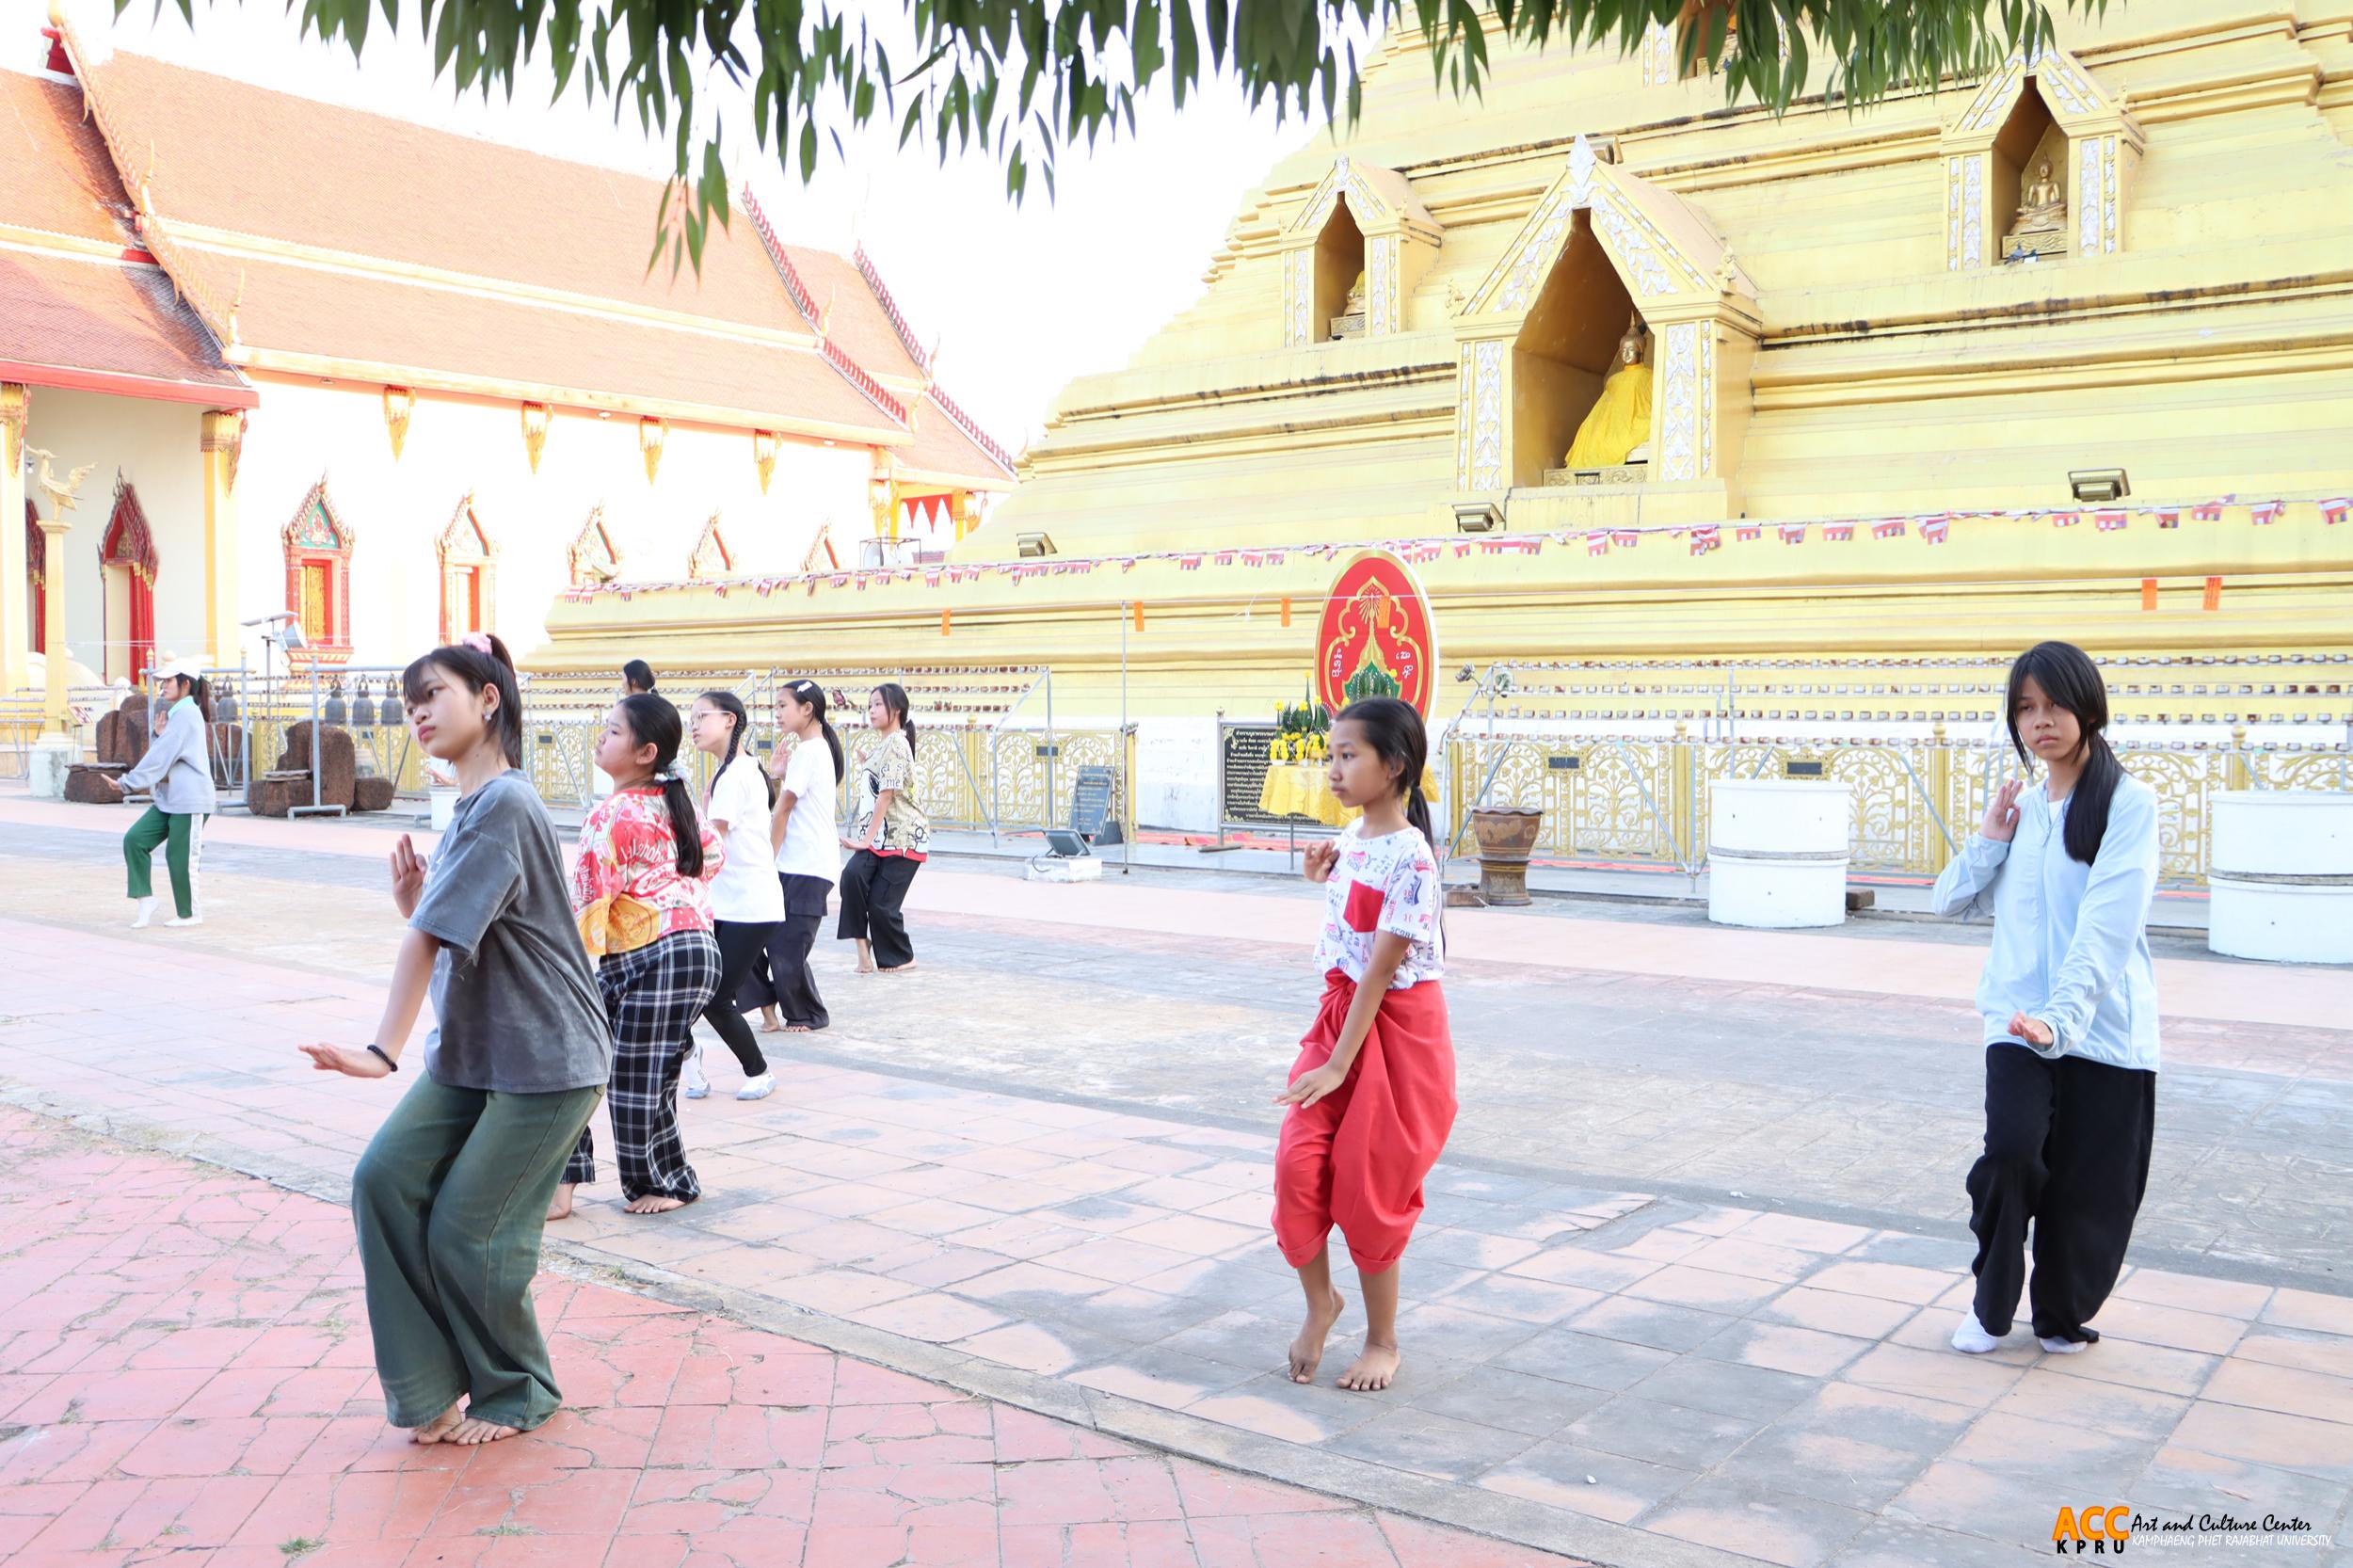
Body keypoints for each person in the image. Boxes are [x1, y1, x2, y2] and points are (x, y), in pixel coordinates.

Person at [299, 632, 611, 1448]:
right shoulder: (475, 808)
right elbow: (457, 937)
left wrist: (379, 1052)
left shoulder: (505, 802)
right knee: (383, 1181)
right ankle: (430, 1389)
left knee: (470, 1229)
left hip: (547, 1060)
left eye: (433, 693)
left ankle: (520, 1389)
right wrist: (417, 904)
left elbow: (429, 944)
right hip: (478, 1055)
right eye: (410, 704)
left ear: (488, 699)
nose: (418, 713)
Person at [1932, 641, 2160, 1357]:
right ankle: (1991, 1304)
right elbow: (1948, 903)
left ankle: (2060, 1315)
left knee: (2089, 1189)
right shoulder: (2023, 809)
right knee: (2010, 1157)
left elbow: (2106, 928)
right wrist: (1989, 840)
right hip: (2014, 1022)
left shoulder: (2129, 804)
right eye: (2025, 708)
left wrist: (2061, 1020)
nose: (2041, 721)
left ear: (2086, 706)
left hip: (2100, 1027)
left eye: (2054, 704)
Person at [1273, 696, 1455, 1393]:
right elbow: (1350, 937)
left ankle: (1384, 1340)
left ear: (1396, 765)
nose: (1334, 769)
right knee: (1297, 1163)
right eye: (1331, 755)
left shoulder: (1414, 859)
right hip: (1339, 1020)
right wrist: (1319, 872)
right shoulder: (1353, 840)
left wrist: (1338, 1066)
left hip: (1394, 1033)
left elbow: (1382, 969)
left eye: (1349, 755)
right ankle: (1322, 1303)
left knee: (1371, 1184)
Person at [552, 693, 722, 1219]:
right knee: (640, 1067)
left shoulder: (610, 815)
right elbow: (712, 855)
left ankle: (658, 1182)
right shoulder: (678, 805)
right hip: (696, 946)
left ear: (646, 752)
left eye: (614, 731)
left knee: (605, 1065)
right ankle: (582, 1181)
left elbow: (587, 904)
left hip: (655, 952)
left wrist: (571, 972)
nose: (602, 737)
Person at [681, 691, 780, 1101]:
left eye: (702, 716)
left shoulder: (737, 773)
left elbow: (711, 843)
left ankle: (759, 1072)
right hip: (727, 902)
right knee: (690, 991)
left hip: (749, 905)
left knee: (715, 996)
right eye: (692, 718)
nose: (695, 725)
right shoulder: (733, 770)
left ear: (729, 720)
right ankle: (691, 1061)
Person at [750, 678, 845, 1032]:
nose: (777, 712)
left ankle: (808, 1014)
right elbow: (786, 803)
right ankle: (781, 1006)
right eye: (775, 705)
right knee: (765, 938)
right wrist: (777, 776)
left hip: (807, 864)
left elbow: (783, 811)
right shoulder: (809, 751)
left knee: (788, 946)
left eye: (783, 705)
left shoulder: (810, 750)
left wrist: (767, 858)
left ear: (807, 709)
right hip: (799, 863)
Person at [837, 681, 928, 974]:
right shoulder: (885, 745)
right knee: (852, 877)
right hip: (881, 837)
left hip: (902, 838)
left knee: (881, 906)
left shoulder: (897, 744)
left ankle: (901, 957)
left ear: (896, 710)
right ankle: (863, 950)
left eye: (878, 704)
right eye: (870, 705)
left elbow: (886, 796)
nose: (872, 711)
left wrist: (864, 841)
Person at [120, 660, 217, 929]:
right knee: (135, 840)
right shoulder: (178, 715)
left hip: (190, 800)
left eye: (168, 681)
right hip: (170, 799)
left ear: (185, 684)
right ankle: (145, 899)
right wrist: (158, 734)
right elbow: (165, 754)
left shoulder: (186, 715)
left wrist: (128, 783)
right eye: (162, 682)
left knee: (180, 858)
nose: (162, 686)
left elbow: (161, 757)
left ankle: (189, 914)